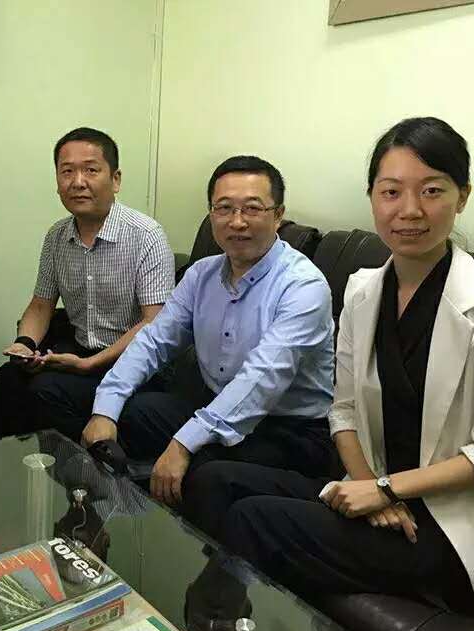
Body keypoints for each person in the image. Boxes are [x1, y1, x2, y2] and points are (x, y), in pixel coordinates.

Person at [183, 117, 474, 613]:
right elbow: (344, 410)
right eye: (391, 191)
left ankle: (224, 624)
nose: (409, 210)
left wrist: (386, 490)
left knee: (254, 520)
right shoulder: (363, 290)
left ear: (462, 196)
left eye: (432, 190)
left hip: (449, 517)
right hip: (371, 483)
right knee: (212, 479)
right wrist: (367, 483)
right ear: (372, 196)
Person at [83, 156, 336, 505]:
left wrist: (183, 443)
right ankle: (123, 517)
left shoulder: (303, 286)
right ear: (211, 213)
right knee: (130, 413)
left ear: (278, 215)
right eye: (224, 208)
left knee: (203, 469)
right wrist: (105, 409)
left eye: (252, 209)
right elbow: (154, 341)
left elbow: (261, 380)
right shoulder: (201, 274)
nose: (237, 222)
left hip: (290, 430)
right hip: (217, 406)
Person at [0, 127, 174, 439]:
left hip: (134, 363)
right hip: (79, 351)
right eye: (67, 171)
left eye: (91, 170)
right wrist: (25, 345)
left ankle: (85, 465)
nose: (78, 182)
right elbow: (41, 305)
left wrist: (90, 364)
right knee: (9, 377)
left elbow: (154, 322)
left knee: (46, 390)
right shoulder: (57, 236)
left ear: (115, 179)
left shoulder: (146, 235)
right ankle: (26, 462)